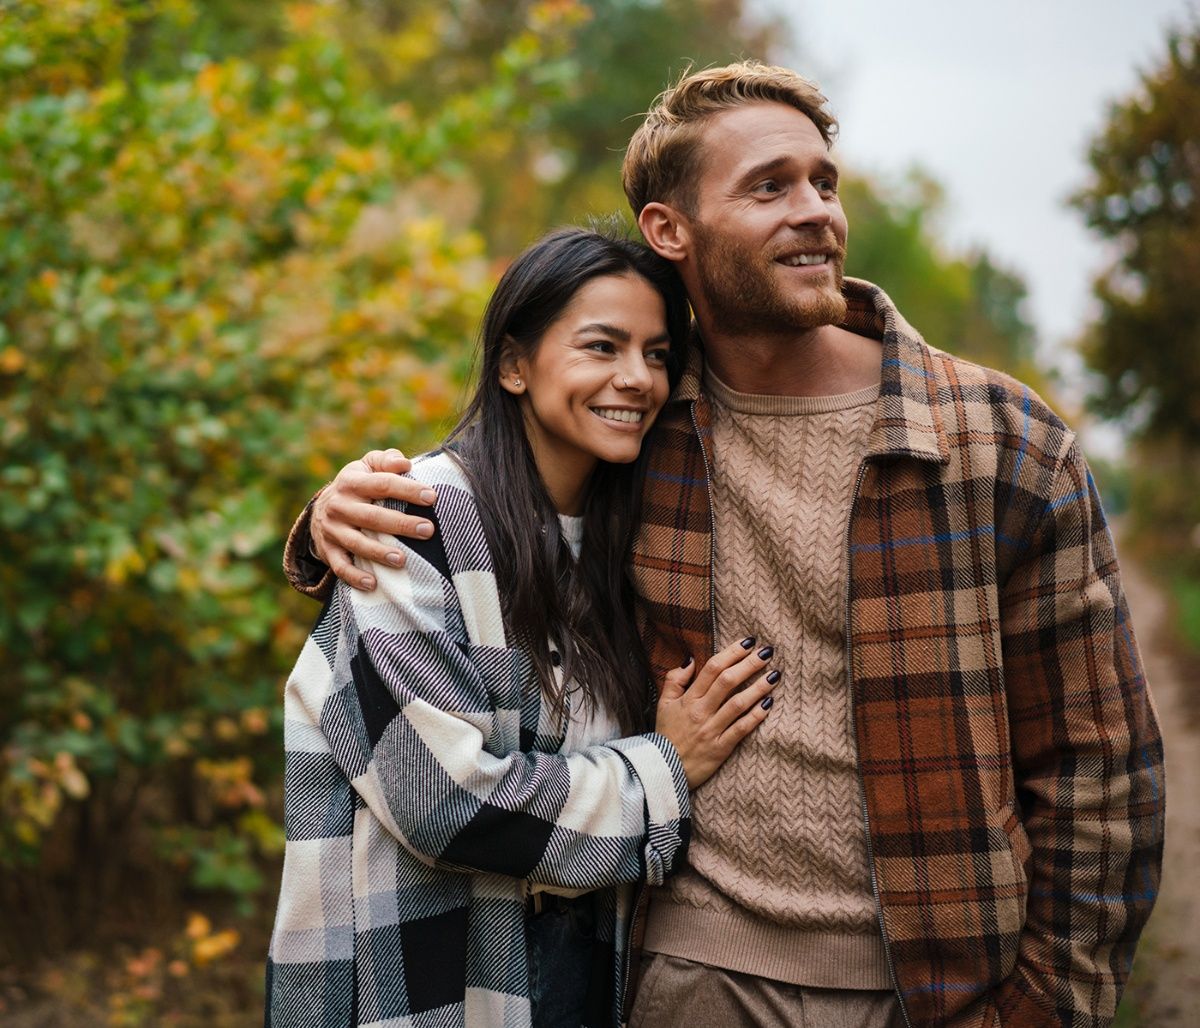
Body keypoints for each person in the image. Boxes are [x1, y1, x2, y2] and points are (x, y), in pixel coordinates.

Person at [285, 64, 1166, 1028]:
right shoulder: (639, 428)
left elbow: (1098, 764)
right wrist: (331, 519)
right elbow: (484, 501)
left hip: (937, 986)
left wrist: (1051, 1004)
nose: (815, 212)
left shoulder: (999, 438)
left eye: (823, 182)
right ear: (672, 230)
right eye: (767, 186)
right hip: (683, 981)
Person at [266, 227, 782, 1028]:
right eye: (602, 346)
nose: (636, 378)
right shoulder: (415, 524)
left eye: (655, 353)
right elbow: (443, 801)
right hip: (422, 990)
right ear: (514, 364)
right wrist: (665, 767)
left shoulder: (632, 542)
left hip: (582, 980)